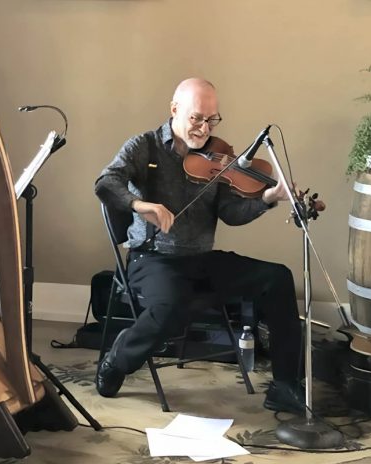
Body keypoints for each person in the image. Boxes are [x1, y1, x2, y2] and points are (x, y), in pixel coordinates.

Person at [94, 78, 304, 413]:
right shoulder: (144, 146)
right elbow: (106, 183)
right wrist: (140, 206)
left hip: (201, 260)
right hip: (153, 260)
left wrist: (267, 198)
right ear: (175, 109)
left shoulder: (217, 157)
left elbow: (231, 214)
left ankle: (285, 385)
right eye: (196, 118)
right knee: (172, 304)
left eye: (212, 119)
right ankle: (117, 360)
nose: (204, 128)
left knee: (278, 277)